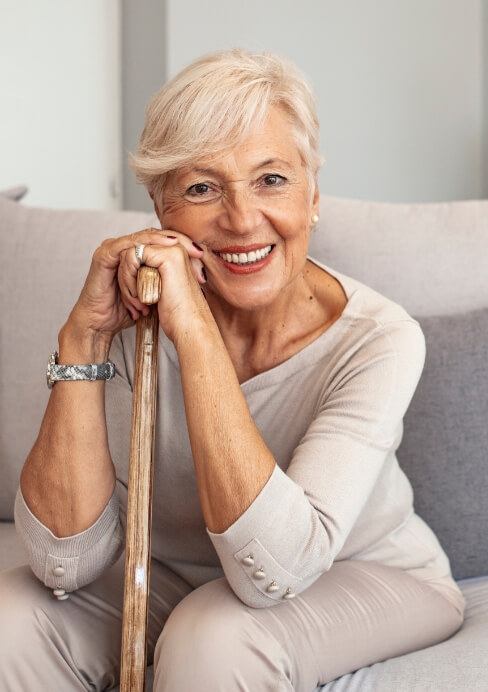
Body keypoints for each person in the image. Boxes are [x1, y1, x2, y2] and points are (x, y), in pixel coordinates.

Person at [1, 49, 464, 691]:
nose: (243, 219)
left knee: (212, 639)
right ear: (162, 212)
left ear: (313, 196)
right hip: (174, 572)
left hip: (362, 573)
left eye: (271, 180)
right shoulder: (131, 314)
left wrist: (194, 333)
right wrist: (85, 335)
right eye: (201, 188)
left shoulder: (380, 338)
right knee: (9, 621)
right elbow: (62, 562)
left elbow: (270, 571)